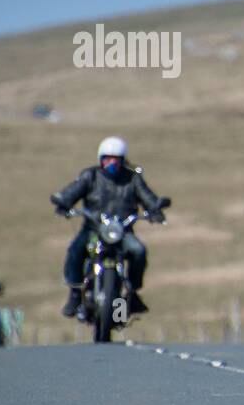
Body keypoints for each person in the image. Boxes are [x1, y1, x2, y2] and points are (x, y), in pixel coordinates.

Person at [50, 136, 168, 317]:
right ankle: (74, 293)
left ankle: (133, 293)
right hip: (93, 229)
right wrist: (63, 203)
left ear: (122, 160)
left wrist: (156, 209)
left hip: (122, 232)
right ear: (100, 159)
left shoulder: (133, 179)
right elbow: (72, 191)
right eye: (107, 158)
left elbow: (148, 197)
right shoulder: (90, 176)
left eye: (116, 159)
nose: (111, 162)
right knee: (75, 249)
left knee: (138, 251)